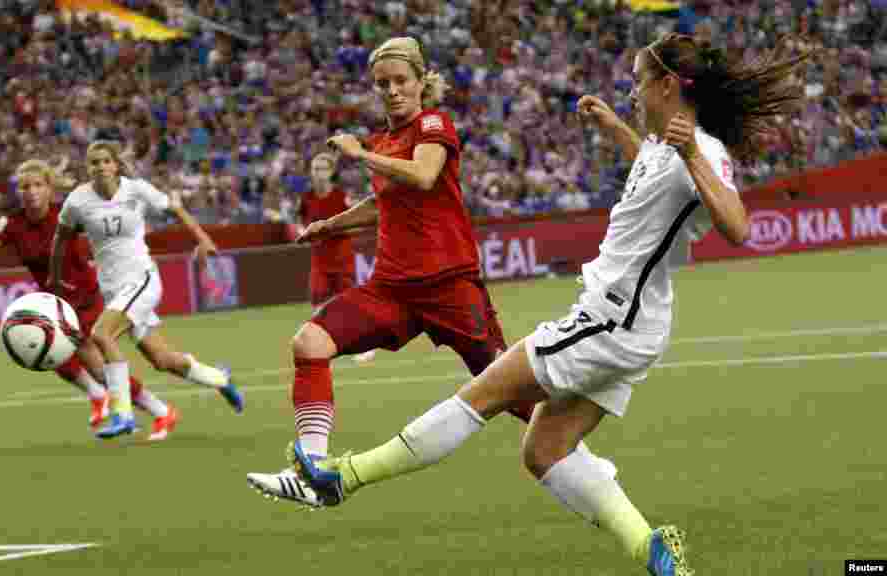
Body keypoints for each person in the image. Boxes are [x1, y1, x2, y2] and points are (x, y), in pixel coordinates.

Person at [290, 33, 817, 576]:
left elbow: (737, 225)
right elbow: (658, 176)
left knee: (482, 395)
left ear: (666, 86)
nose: (633, 93)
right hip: (635, 328)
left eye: (638, 82)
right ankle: (652, 550)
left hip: (610, 320)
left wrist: (688, 153)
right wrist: (617, 129)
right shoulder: (665, 144)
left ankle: (344, 477)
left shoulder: (698, 150)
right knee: (542, 449)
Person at [247, 37, 533, 507]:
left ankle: (575, 453)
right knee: (309, 343)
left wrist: (360, 156)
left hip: (450, 288)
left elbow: (422, 175)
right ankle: (313, 467)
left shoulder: (434, 124)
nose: (393, 91)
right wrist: (331, 225)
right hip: (392, 289)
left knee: (512, 393)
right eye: (383, 84)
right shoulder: (386, 141)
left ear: (421, 82)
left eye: (401, 81)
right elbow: (383, 201)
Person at [50, 140, 244, 439]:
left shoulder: (136, 189)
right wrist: (54, 278)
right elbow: (61, 240)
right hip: (114, 290)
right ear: (87, 169)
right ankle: (220, 378)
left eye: (105, 161)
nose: (100, 167)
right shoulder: (78, 200)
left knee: (100, 335)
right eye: (94, 163)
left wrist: (202, 239)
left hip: (141, 279)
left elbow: (175, 208)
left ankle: (122, 414)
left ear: (115, 165)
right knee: (162, 360)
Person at [0, 158, 179, 440]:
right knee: (50, 354)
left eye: (37, 185)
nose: (31, 191)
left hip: (87, 297)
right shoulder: (11, 223)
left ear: (49, 189)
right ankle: (128, 405)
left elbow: (110, 222)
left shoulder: (68, 212)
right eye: (24, 187)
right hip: (57, 302)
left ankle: (157, 411)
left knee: (99, 368)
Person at [298, 152, 375, 364]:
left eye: (323, 169)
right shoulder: (306, 198)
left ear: (331, 172)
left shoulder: (342, 197)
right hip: (320, 262)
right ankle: (320, 348)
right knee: (318, 306)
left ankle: (365, 345)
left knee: (350, 305)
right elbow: (302, 221)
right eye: (315, 169)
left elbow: (358, 220)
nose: (318, 173)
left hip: (342, 260)